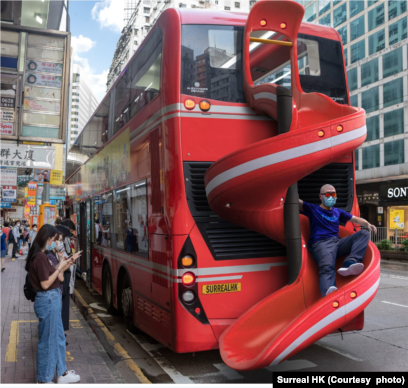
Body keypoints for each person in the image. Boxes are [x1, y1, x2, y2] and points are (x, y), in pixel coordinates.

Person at [25, 224, 81, 384]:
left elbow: (56, 275)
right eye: (55, 240)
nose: (56, 243)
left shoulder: (44, 255)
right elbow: (45, 283)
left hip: (52, 299)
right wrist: (60, 268)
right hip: (48, 299)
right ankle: (43, 379)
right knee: (48, 342)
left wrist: (65, 264)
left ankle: (61, 373)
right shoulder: (40, 257)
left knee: (57, 338)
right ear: (47, 239)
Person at [299, 184, 376, 297]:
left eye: (333, 194)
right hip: (321, 243)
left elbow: (355, 219)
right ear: (320, 196)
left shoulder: (337, 212)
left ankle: (350, 262)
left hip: (337, 243)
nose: (331, 197)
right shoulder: (313, 209)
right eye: (328, 194)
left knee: (363, 234)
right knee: (327, 268)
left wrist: (368, 224)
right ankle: (328, 295)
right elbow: (297, 202)